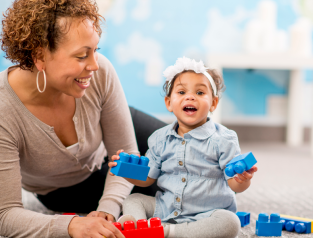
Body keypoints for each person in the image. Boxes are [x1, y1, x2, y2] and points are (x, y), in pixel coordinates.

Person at [0, 0, 165, 237]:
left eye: (95, 50)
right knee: (174, 194)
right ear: (39, 56)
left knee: (192, 155)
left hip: (112, 136)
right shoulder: (4, 110)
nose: (95, 65)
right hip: (67, 187)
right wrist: (72, 225)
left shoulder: (100, 73)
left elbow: (127, 153)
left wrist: (110, 206)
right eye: (81, 56)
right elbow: (5, 214)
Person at [108, 57, 258, 238]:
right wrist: (126, 172)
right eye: (181, 91)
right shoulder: (159, 139)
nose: (190, 96)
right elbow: (147, 179)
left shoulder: (224, 139)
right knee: (134, 199)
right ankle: (135, 226)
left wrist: (243, 179)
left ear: (213, 103)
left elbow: (234, 185)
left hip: (207, 213)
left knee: (230, 222)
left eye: (200, 92)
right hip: (166, 207)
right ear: (169, 102)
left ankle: (165, 231)